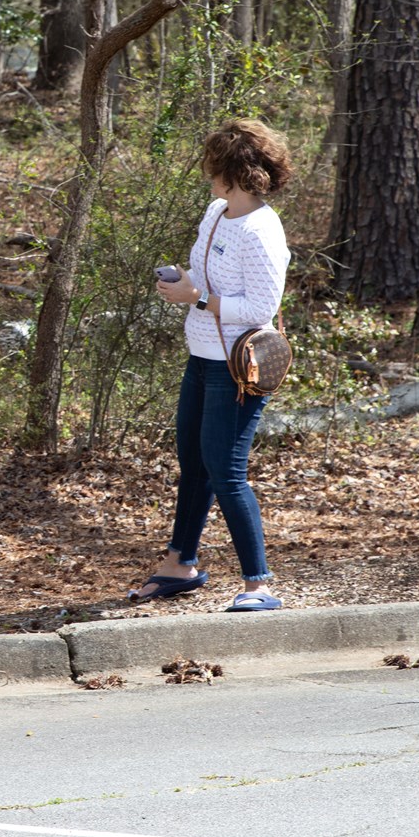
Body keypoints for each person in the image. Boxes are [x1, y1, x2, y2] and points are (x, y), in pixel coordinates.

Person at [133, 118, 292, 613]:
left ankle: (258, 584)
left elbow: (261, 307)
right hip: (201, 357)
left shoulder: (262, 231)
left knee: (227, 471)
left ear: (236, 172)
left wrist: (197, 298)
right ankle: (180, 565)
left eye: (214, 169)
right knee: (194, 465)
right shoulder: (217, 212)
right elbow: (204, 274)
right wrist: (184, 282)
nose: (208, 177)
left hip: (236, 369)